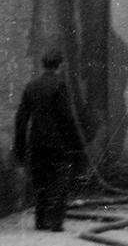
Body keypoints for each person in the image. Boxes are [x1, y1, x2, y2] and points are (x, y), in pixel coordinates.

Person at [14, 48, 85, 232]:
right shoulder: (60, 85)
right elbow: (67, 118)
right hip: (57, 143)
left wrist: (20, 148)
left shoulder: (31, 86)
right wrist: (77, 147)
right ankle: (55, 222)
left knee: (40, 182)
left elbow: (21, 119)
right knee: (59, 181)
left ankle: (40, 221)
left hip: (36, 143)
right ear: (60, 65)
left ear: (43, 64)